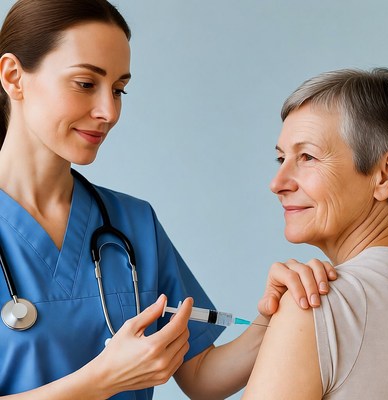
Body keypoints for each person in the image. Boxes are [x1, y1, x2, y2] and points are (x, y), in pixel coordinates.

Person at [0, 1, 338, 399]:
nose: (109, 111)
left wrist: (271, 317)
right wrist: (102, 380)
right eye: (86, 84)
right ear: (14, 76)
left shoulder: (132, 222)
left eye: (119, 89)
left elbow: (200, 377)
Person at [242, 67, 388, 399]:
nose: (277, 184)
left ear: (385, 174)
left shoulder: (313, 305)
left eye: (308, 156)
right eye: (281, 158)